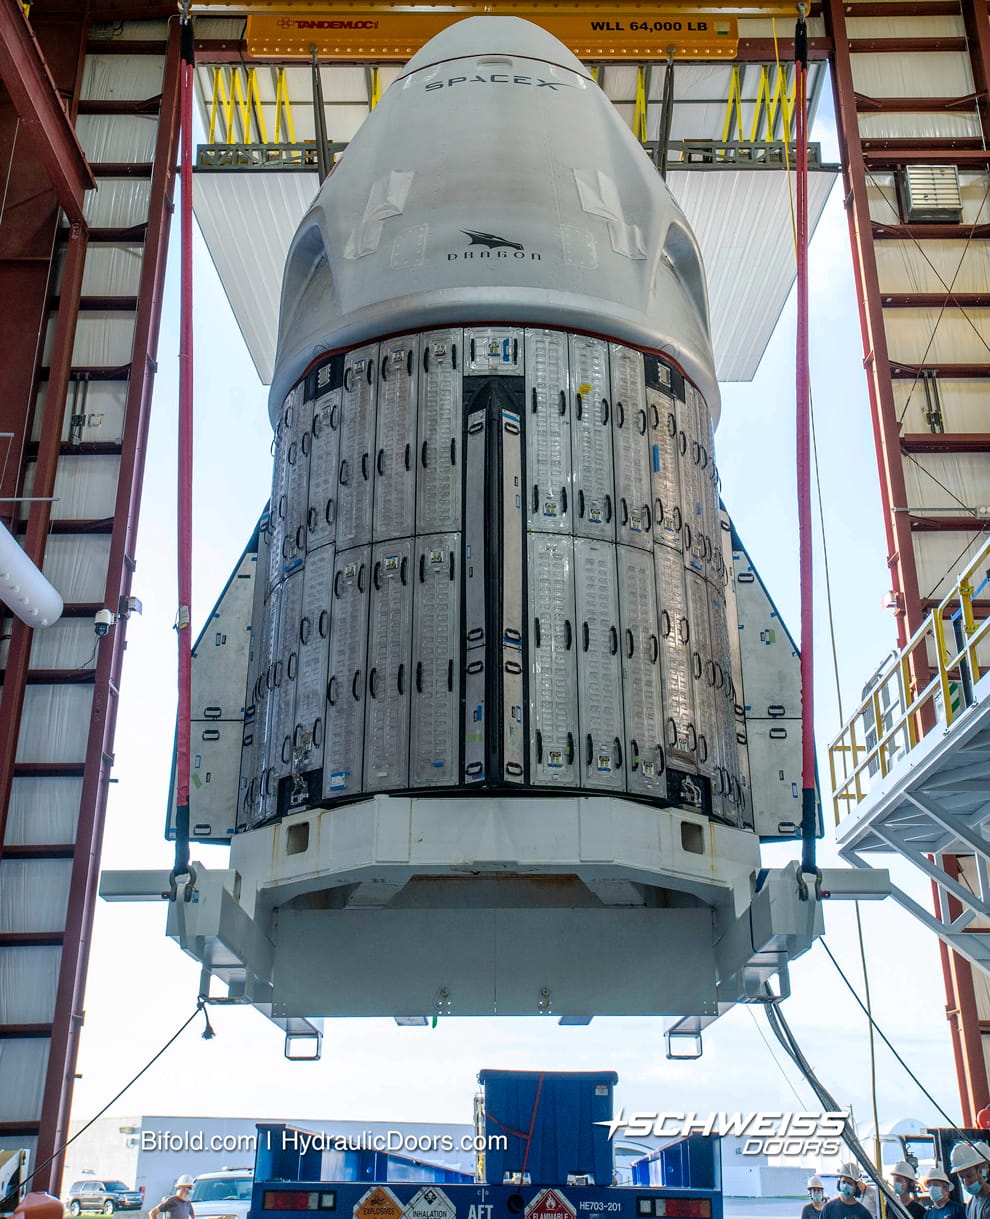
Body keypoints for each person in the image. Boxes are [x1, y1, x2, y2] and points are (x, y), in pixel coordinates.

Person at [949, 1141, 990, 1219]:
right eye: (962, 1178)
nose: (966, 1183)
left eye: (969, 1176)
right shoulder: (970, 1205)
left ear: (980, 1171)